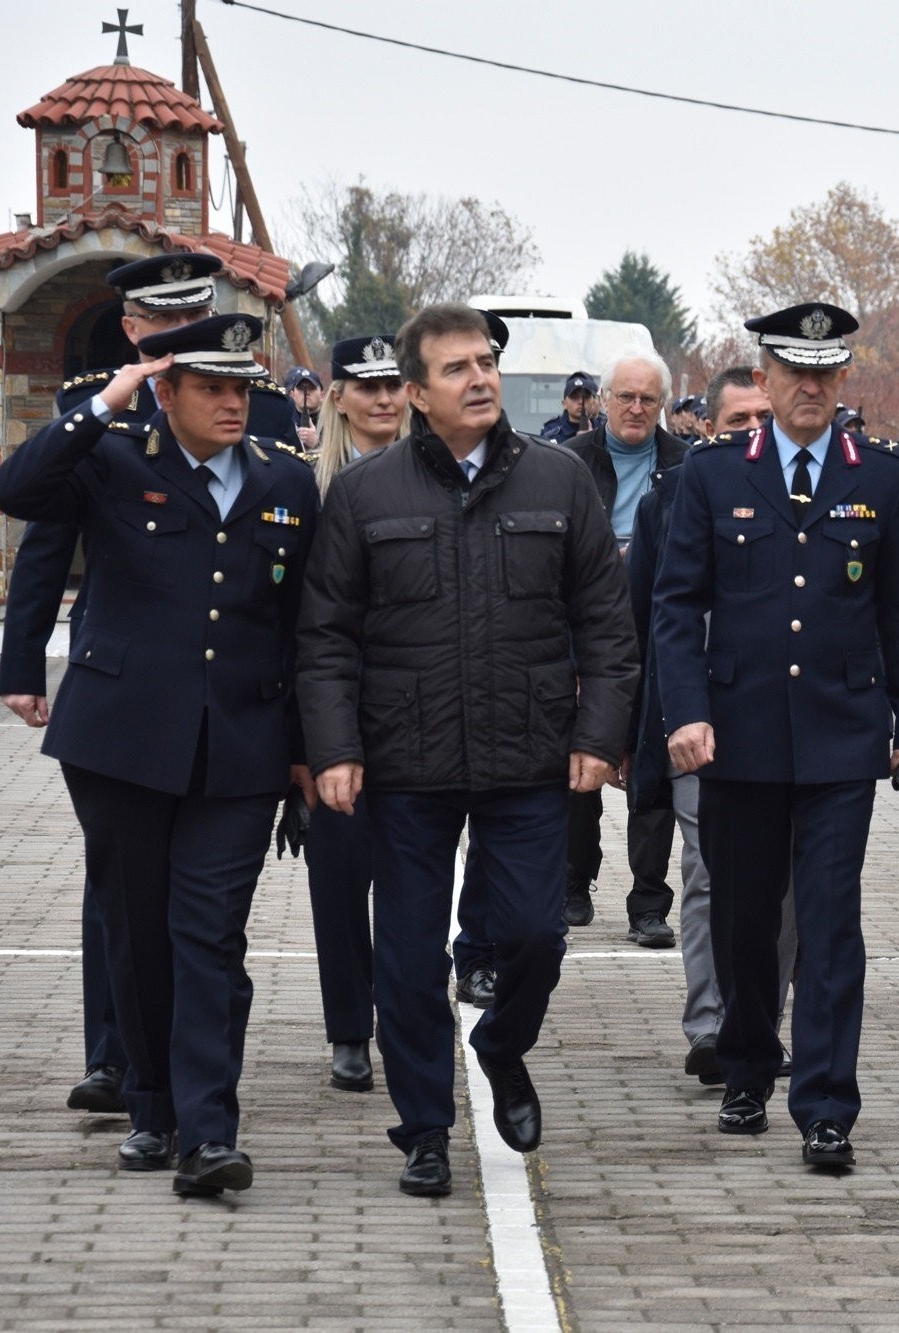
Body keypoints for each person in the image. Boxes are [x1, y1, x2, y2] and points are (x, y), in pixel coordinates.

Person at [298, 303, 637, 1194]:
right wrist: (333, 746)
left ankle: (502, 1046)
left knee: (533, 935)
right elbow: (326, 634)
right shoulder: (365, 496)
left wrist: (601, 734)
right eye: (456, 368)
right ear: (414, 393)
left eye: (485, 362)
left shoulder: (560, 482)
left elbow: (608, 624)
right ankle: (424, 1128)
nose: (480, 377)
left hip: (530, 759)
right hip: (403, 766)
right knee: (406, 959)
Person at [0, 312, 319, 1198]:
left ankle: (209, 1132)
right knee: (136, 930)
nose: (230, 403)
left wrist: (304, 748)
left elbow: (301, 631)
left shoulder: (287, 482)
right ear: (166, 393)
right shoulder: (109, 458)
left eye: (241, 387)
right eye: (209, 386)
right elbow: (15, 491)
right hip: (122, 740)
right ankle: (151, 1105)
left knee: (208, 934)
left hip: (241, 748)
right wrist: (104, 402)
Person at [651, 301, 899, 1170]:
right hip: (737, 736)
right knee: (743, 918)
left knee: (828, 921)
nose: (809, 388)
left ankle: (826, 1105)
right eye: (793, 373)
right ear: (764, 379)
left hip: (843, 738)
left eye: (825, 374)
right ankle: (746, 1063)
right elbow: (675, 608)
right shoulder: (712, 476)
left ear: (842, 380)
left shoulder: (882, 477)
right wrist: (686, 712)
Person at [625, 366, 797, 1084]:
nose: (752, 434)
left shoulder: (808, 494)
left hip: (785, 724)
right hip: (700, 721)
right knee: (707, 874)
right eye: (737, 423)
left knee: (782, 884)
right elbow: (647, 615)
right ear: (706, 428)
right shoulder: (673, 497)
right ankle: (710, 1023)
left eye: (764, 418)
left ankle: (759, 1019)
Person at [302, 334, 408, 1093]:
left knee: (409, 880)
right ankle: (349, 1028)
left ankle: (403, 1014)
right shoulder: (302, 488)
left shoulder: (432, 479)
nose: (382, 399)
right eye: (365, 386)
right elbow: (295, 628)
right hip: (333, 712)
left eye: (393, 384)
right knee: (339, 879)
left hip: (415, 713)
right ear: (338, 395)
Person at [562, 353, 690, 943]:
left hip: (656, 630)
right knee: (579, 757)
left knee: (652, 767)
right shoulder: (568, 464)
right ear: (603, 400)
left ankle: (648, 902)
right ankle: (572, 881)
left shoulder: (686, 467)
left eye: (648, 399)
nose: (636, 409)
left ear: (662, 405)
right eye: (626, 397)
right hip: (580, 630)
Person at [539, 370, 601, 442]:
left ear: (593, 402)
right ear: (564, 404)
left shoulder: (604, 429)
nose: (581, 402)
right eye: (574, 397)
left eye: (586, 397)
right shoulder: (551, 432)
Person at [288, 367, 324, 453]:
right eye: (301, 388)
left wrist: (317, 444)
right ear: (292, 394)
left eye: (312, 388)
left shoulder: (333, 422)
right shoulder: (285, 422)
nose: (306, 392)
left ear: (322, 395)